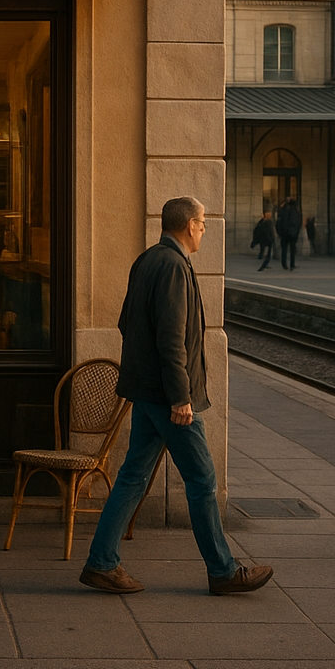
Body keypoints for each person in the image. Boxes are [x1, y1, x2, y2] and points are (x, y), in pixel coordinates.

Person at [79, 196, 274, 597]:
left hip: (148, 394)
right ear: (189, 225)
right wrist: (180, 397)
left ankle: (101, 562)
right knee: (202, 481)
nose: (205, 229)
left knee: (133, 477)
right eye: (202, 222)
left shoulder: (147, 260)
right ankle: (223, 571)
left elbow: (125, 323)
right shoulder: (173, 267)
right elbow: (172, 340)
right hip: (169, 399)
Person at [275, 197, 303, 271]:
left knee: (284, 249)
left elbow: (278, 222)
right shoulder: (296, 211)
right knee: (292, 249)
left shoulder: (282, 210)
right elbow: (298, 223)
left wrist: (279, 232)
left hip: (284, 233)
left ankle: (284, 264)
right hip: (293, 233)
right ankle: (292, 264)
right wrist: (296, 232)